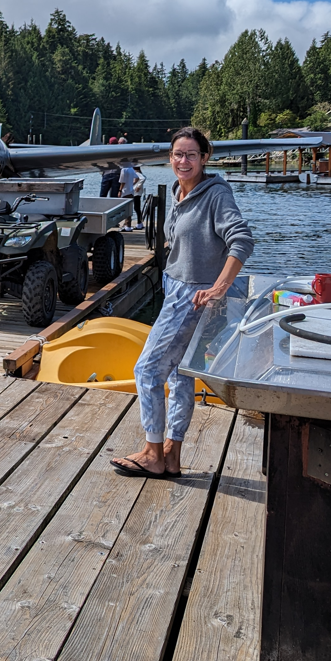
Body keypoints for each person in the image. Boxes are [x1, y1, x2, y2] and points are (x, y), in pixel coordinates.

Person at [111, 126, 252, 478]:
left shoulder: (216, 195)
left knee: (146, 370)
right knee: (178, 374)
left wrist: (220, 287)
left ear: (205, 158)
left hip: (192, 296)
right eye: (178, 154)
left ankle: (151, 452)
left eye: (191, 154)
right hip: (175, 288)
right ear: (170, 158)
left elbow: (242, 240)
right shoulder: (178, 190)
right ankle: (171, 453)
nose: (183, 161)